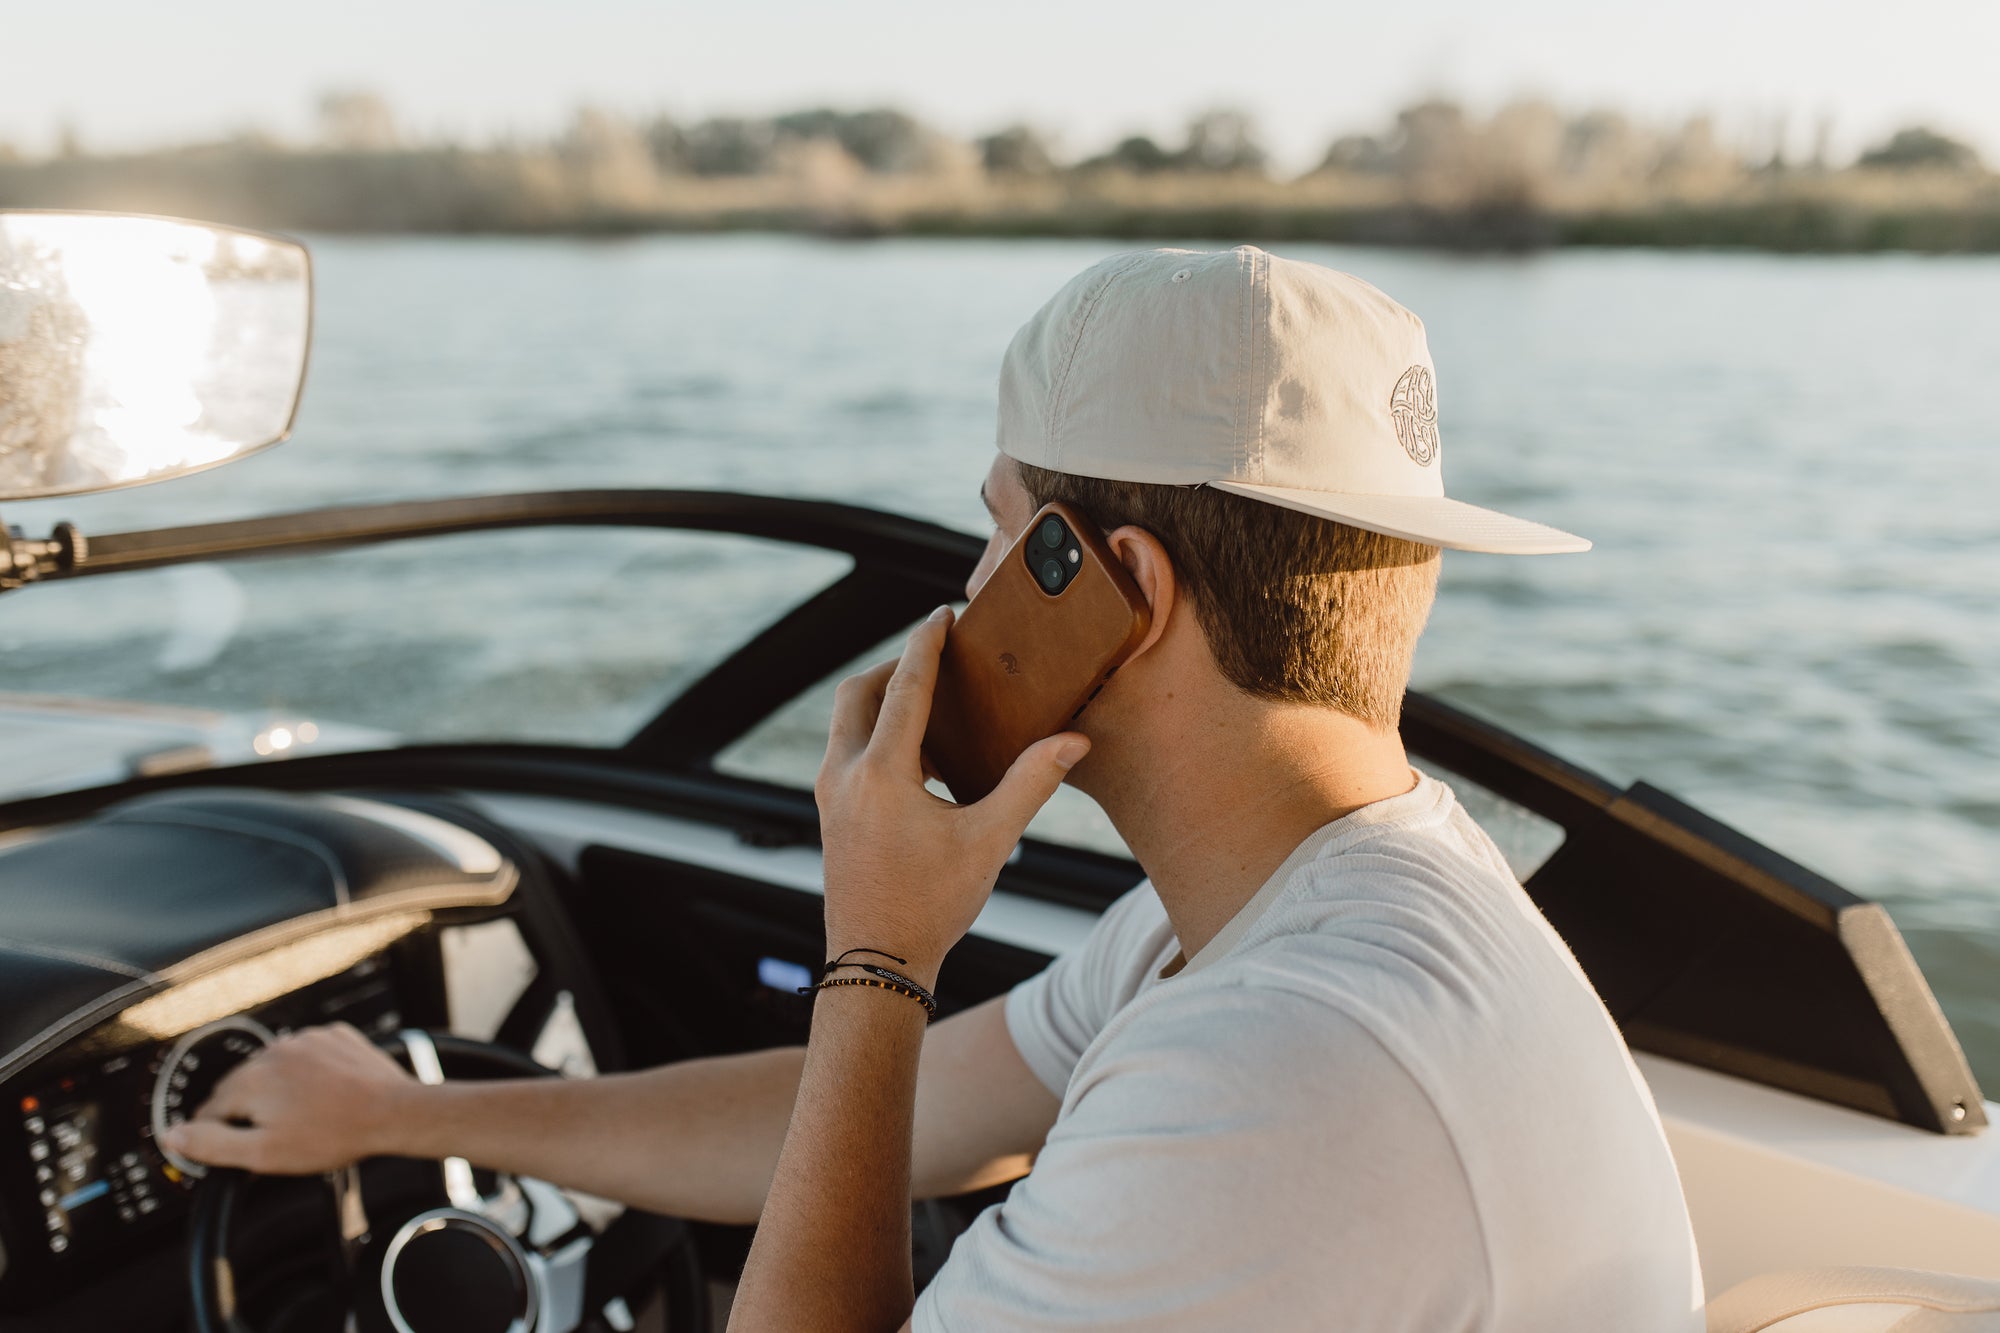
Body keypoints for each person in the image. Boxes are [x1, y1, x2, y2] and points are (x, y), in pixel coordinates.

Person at [166, 245, 1705, 1331]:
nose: (969, 590)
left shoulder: (1286, 1066)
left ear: (1117, 589)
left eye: (997, 531)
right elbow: (877, 1125)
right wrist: (397, 1108)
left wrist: (879, 954)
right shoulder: (1301, 901)